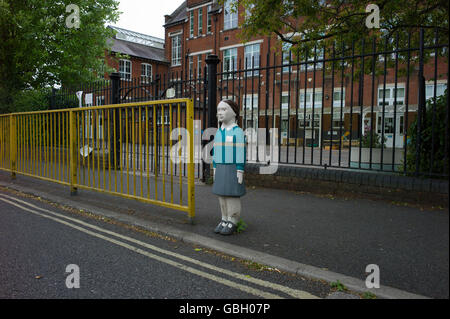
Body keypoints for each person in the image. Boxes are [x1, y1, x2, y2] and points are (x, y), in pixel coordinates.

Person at [212, 99, 246, 235]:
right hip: (220, 167)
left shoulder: (237, 132)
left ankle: (233, 220)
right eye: (218, 110)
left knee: (232, 195)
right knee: (221, 195)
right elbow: (216, 151)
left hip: (232, 168)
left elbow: (240, 151)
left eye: (224, 109)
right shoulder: (219, 132)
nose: (220, 113)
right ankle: (224, 218)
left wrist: (240, 169)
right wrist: (214, 167)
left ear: (234, 113)